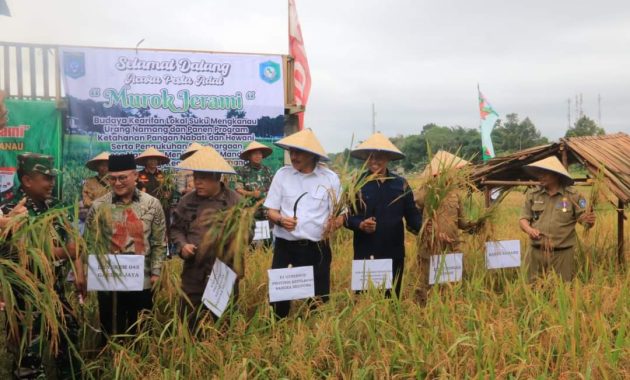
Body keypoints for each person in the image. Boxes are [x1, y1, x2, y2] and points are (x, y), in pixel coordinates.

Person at [1, 153, 84, 379]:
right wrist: (64, 252)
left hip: (55, 291)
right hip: (25, 299)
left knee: (69, 345)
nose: (51, 183)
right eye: (46, 178)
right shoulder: (10, 209)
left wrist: (78, 269)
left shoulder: (54, 205)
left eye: (52, 178)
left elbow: (72, 239)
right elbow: (21, 252)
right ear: (27, 180)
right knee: (29, 359)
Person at [85, 154, 166, 337]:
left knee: (141, 331)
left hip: (142, 279)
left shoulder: (152, 205)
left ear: (135, 176)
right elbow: (90, 242)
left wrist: (156, 272)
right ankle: (110, 363)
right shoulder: (99, 206)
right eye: (113, 178)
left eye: (123, 178)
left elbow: (159, 242)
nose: (117, 183)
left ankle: (140, 365)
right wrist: (86, 272)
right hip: (109, 279)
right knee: (111, 330)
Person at [264, 128, 342, 318]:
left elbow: (342, 214)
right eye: (291, 151)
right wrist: (281, 220)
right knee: (279, 299)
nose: (294, 156)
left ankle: (315, 336)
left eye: (299, 152)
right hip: (286, 248)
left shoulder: (330, 178)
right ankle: (278, 332)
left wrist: (335, 223)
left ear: (312, 155)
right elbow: (270, 211)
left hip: (317, 249)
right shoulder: (282, 175)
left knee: (318, 299)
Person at [170, 146, 241, 330]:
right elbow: (176, 229)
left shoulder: (235, 202)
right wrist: (183, 246)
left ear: (217, 178)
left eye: (203, 178)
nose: (197, 183)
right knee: (189, 319)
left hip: (224, 270)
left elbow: (247, 234)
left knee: (223, 322)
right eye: (195, 177)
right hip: (194, 270)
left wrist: (229, 238)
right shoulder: (187, 201)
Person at [344, 133, 422, 298]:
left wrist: (429, 228)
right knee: (364, 299)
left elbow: (412, 216)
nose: (374, 161)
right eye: (371, 157)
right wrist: (360, 224)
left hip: (393, 250)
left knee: (392, 298)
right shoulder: (356, 184)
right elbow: (346, 217)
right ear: (366, 158)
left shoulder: (401, 184)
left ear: (388, 158)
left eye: (380, 157)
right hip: (365, 250)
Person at [413, 151, 479, 305]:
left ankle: (449, 311)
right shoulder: (426, 190)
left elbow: (461, 222)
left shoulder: (455, 193)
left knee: (452, 284)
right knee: (427, 284)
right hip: (430, 246)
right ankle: (424, 313)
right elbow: (412, 216)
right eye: (453, 170)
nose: (456, 173)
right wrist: (430, 230)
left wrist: (476, 224)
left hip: (452, 247)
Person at [519, 156, 596, 282]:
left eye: (544, 173)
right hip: (535, 252)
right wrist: (529, 230)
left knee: (560, 290)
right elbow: (523, 219)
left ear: (556, 175)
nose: (540, 176)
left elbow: (584, 219)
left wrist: (589, 221)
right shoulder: (533, 194)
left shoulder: (575, 196)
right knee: (531, 288)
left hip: (562, 254)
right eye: (539, 173)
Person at [80, 152, 109, 221]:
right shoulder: (89, 182)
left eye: (107, 165)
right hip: (94, 215)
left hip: (111, 216)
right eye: (102, 165)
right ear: (97, 166)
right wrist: (95, 204)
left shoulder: (114, 181)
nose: (104, 168)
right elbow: (86, 199)